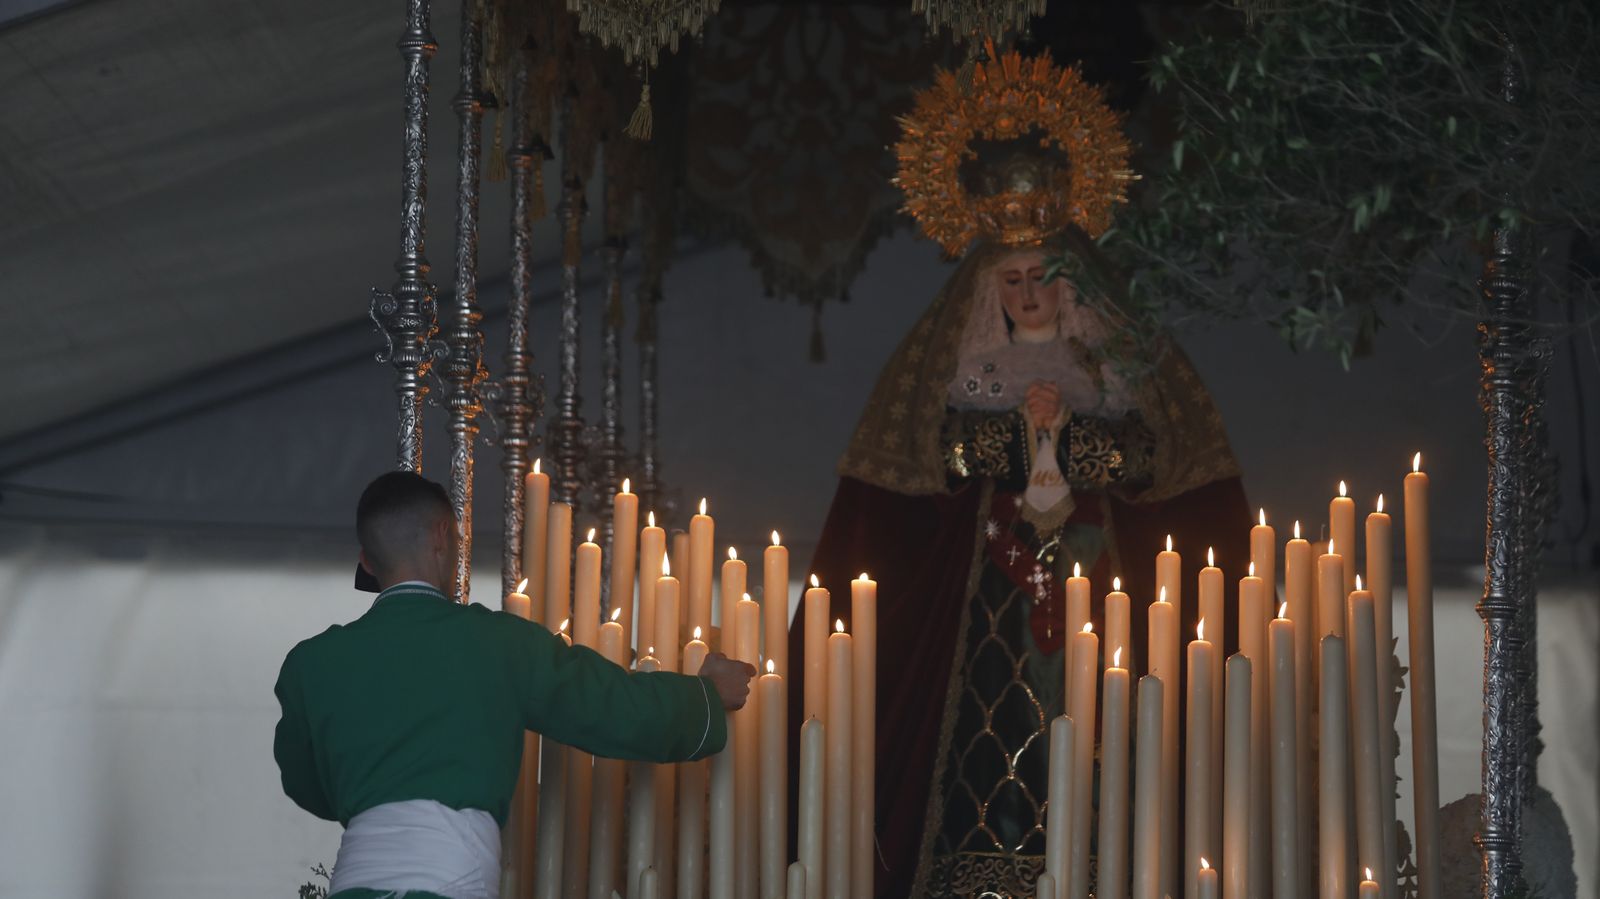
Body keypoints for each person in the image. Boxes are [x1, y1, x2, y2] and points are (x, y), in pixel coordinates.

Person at [788, 51, 1252, 899]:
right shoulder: (963, 366)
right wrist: (1014, 436)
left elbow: (1158, 458)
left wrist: (1070, 439)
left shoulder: (1114, 363)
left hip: (1093, 577)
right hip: (993, 592)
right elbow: (932, 459)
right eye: (1013, 279)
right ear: (989, 287)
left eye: (1044, 276)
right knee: (993, 740)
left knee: (1097, 721)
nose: (1030, 293)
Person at [274, 471, 755, 899]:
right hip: (451, 882)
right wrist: (706, 696)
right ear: (443, 537)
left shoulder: (311, 664)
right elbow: (612, 708)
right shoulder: (497, 642)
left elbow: (308, 785)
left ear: (367, 560)